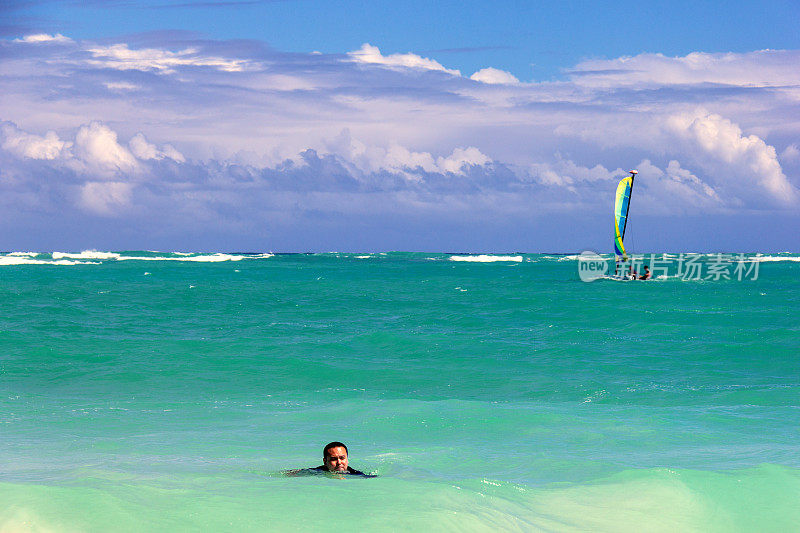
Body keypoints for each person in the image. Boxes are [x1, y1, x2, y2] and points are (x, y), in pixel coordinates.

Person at [287, 442, 375, 477]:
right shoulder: (318, 471)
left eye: (342, 458)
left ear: (347, 459)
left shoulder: (356, 474)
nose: (339, 462)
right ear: (325, 462)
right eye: (334, 459)